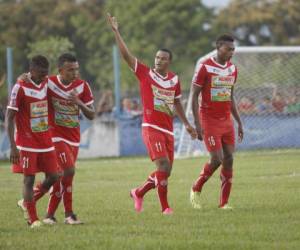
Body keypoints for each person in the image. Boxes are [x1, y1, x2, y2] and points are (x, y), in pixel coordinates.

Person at [107, 13, 197, 214]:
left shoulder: (174, 79)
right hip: (151, 127)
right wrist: (116, 32)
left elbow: (177, 103)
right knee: (162, 164)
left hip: (168, 129)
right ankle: (166, 208)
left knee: (166, 172)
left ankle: (138, 192)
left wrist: (187, 125)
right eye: (157, 57)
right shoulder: (146, 74)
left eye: (163, 58)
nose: (158, 60)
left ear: (169, 62)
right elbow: (127, 56)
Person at [190, 34, 244, 210]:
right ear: (218, 47)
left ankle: (224, 203)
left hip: (226, 122)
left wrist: (239, 121)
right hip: (209, 121)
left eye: (233, 49)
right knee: (217, 159)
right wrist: (197, 124)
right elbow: (194, 96)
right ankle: (195, 189)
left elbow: (230, 96)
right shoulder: (204, 67)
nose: (232, 52)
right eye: (228, 49)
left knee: (229, 159)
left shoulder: (232, 69)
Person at [6, 55, 59, 228]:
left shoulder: (45, 83)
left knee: (54, 176)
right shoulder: (19, 86)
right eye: (42, 73)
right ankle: (33, 219)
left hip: (44, 140)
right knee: (28, 179)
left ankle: (26, 202)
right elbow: (9, 117)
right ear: (33, 70)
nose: (45, 76)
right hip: (26, 142)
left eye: (47, 73)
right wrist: (13, 147)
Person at [43, 53, 95, 224]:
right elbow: (30, 86)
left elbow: (92, 114)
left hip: (73, 138)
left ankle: (50, 215)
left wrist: (79, 102)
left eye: (76, 69)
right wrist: (24, 78)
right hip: (55, 136)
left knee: (64, 176)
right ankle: (69, 214)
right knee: (68, 170)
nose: (75, 73)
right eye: (70, 70)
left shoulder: (82, 86)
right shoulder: (49, 83)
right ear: (60, 70)